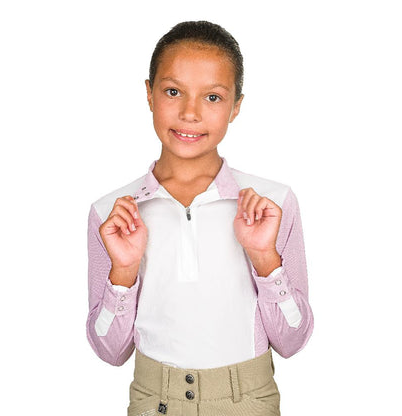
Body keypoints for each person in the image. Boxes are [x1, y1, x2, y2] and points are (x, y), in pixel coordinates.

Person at [86, 20, 314, 416]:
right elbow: (110, 350)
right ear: (149, 94)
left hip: (248, 402)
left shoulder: (271, 204)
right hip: (152, 401)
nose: (190, 113)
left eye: (212, 97)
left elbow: (292, 341)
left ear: (236, 106)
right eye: (173, 91)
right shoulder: (113, 213)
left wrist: (265, 258)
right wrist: (124, 269)